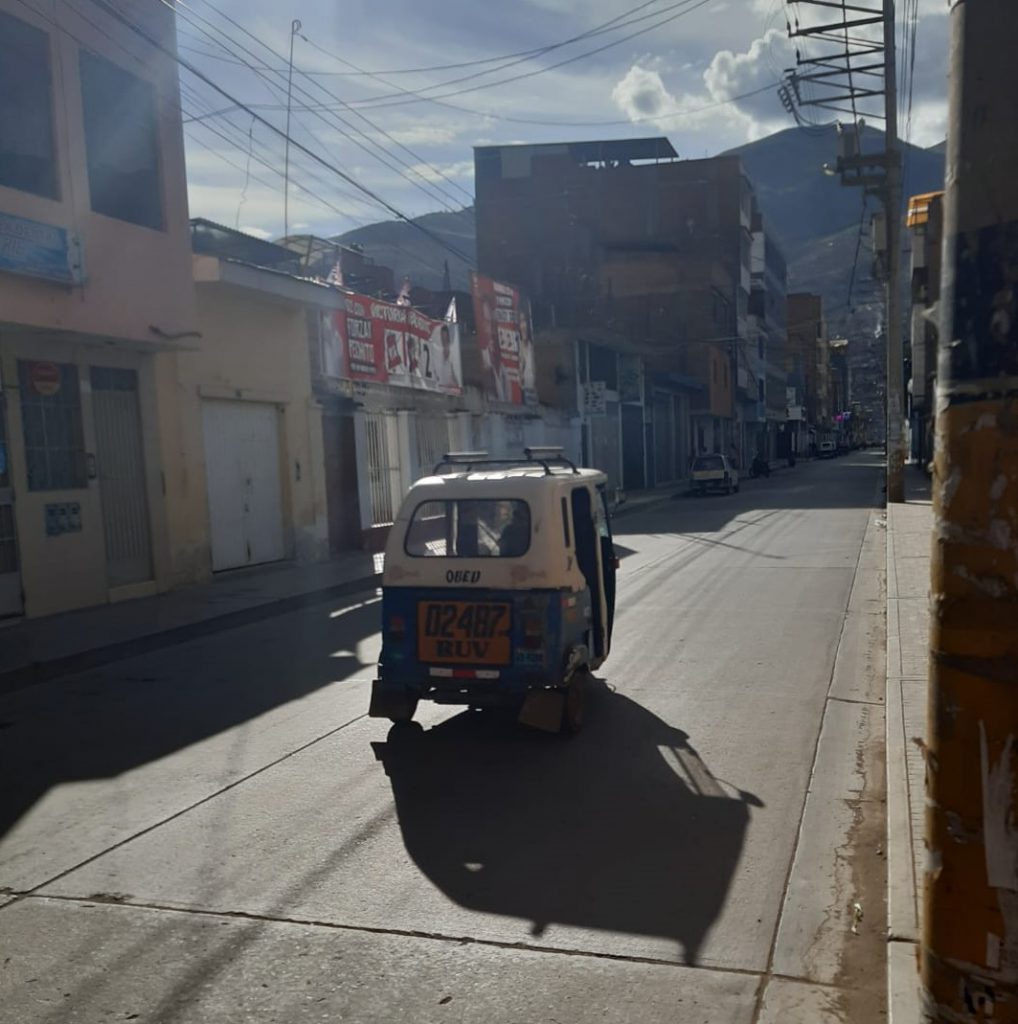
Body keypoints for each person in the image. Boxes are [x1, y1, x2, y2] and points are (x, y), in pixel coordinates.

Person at [436, 324, 459, 391]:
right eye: (442, 336)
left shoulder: (453, 353)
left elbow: (454, 374)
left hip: (450, 388)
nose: (444, 338)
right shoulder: (437, 351)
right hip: (439, 388)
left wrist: (456, 385)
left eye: (445, 336)